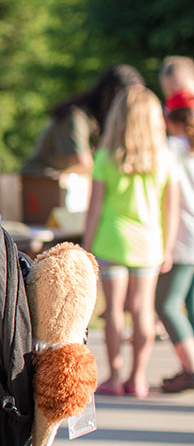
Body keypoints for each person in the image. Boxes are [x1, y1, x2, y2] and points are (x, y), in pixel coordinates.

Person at [84, 85, 173, 398]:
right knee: (142, 310)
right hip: (149, 242)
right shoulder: (164, 159)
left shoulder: (106, 157)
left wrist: (87, 245)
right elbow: (169, 208)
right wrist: (168, 246)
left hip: (111, 240)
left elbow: (94, 207)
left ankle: (114, 375)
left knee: (114, 312)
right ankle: (138, 378)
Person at [19, 64, 144, 224]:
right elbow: (83, 163)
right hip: (41, 188)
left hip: (67, 191)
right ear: (113, 96)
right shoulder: (75, 117)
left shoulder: (99, 120)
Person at [157, 89, 194, 392]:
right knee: (191, 306)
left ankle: (191, 367)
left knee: (166, 304)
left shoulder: (170, 149)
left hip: (183, 238)